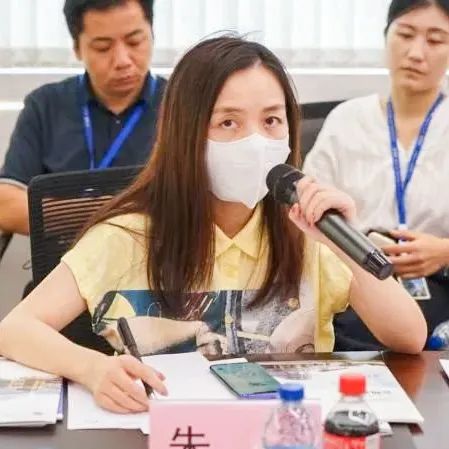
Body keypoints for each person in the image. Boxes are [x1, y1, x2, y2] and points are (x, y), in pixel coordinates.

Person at [0, 36, 426, 414]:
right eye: (228, 123)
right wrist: (91, 368)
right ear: (186, 135)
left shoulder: (307, 233)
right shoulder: (127, 236)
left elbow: (409, 337)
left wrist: (340, 241)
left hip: (283, 430)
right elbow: (14, 329)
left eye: (271, 121)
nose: (255, 142)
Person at [303, 0, 449, 349]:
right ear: (386, 37)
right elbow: (305, 212)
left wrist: (444, 251)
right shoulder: (346, 120)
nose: (416, 53)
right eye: (406, 34)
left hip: (437, 284)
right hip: (354, 279)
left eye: (435, 40)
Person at [0, 0, 166, 235]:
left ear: (152, 34)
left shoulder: (184, 105)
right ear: (77, 48)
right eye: (103, 47)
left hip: (155, 254)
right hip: (64, 255)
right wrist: (119, 213)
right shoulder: (45, 105)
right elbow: (6, 204)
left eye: (135, 42)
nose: (122, 60)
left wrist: (61, 211)